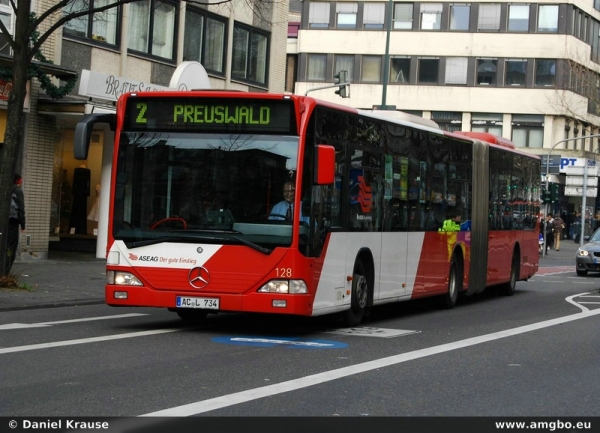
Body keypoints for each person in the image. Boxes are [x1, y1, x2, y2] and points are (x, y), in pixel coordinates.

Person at [5, 174, 25, 274]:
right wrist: (23, 224)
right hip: (12, 221)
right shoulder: (17, 191)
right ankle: (5, 270)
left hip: (4, 221)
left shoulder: (4, 188)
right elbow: (21, 208)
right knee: (11, 245)